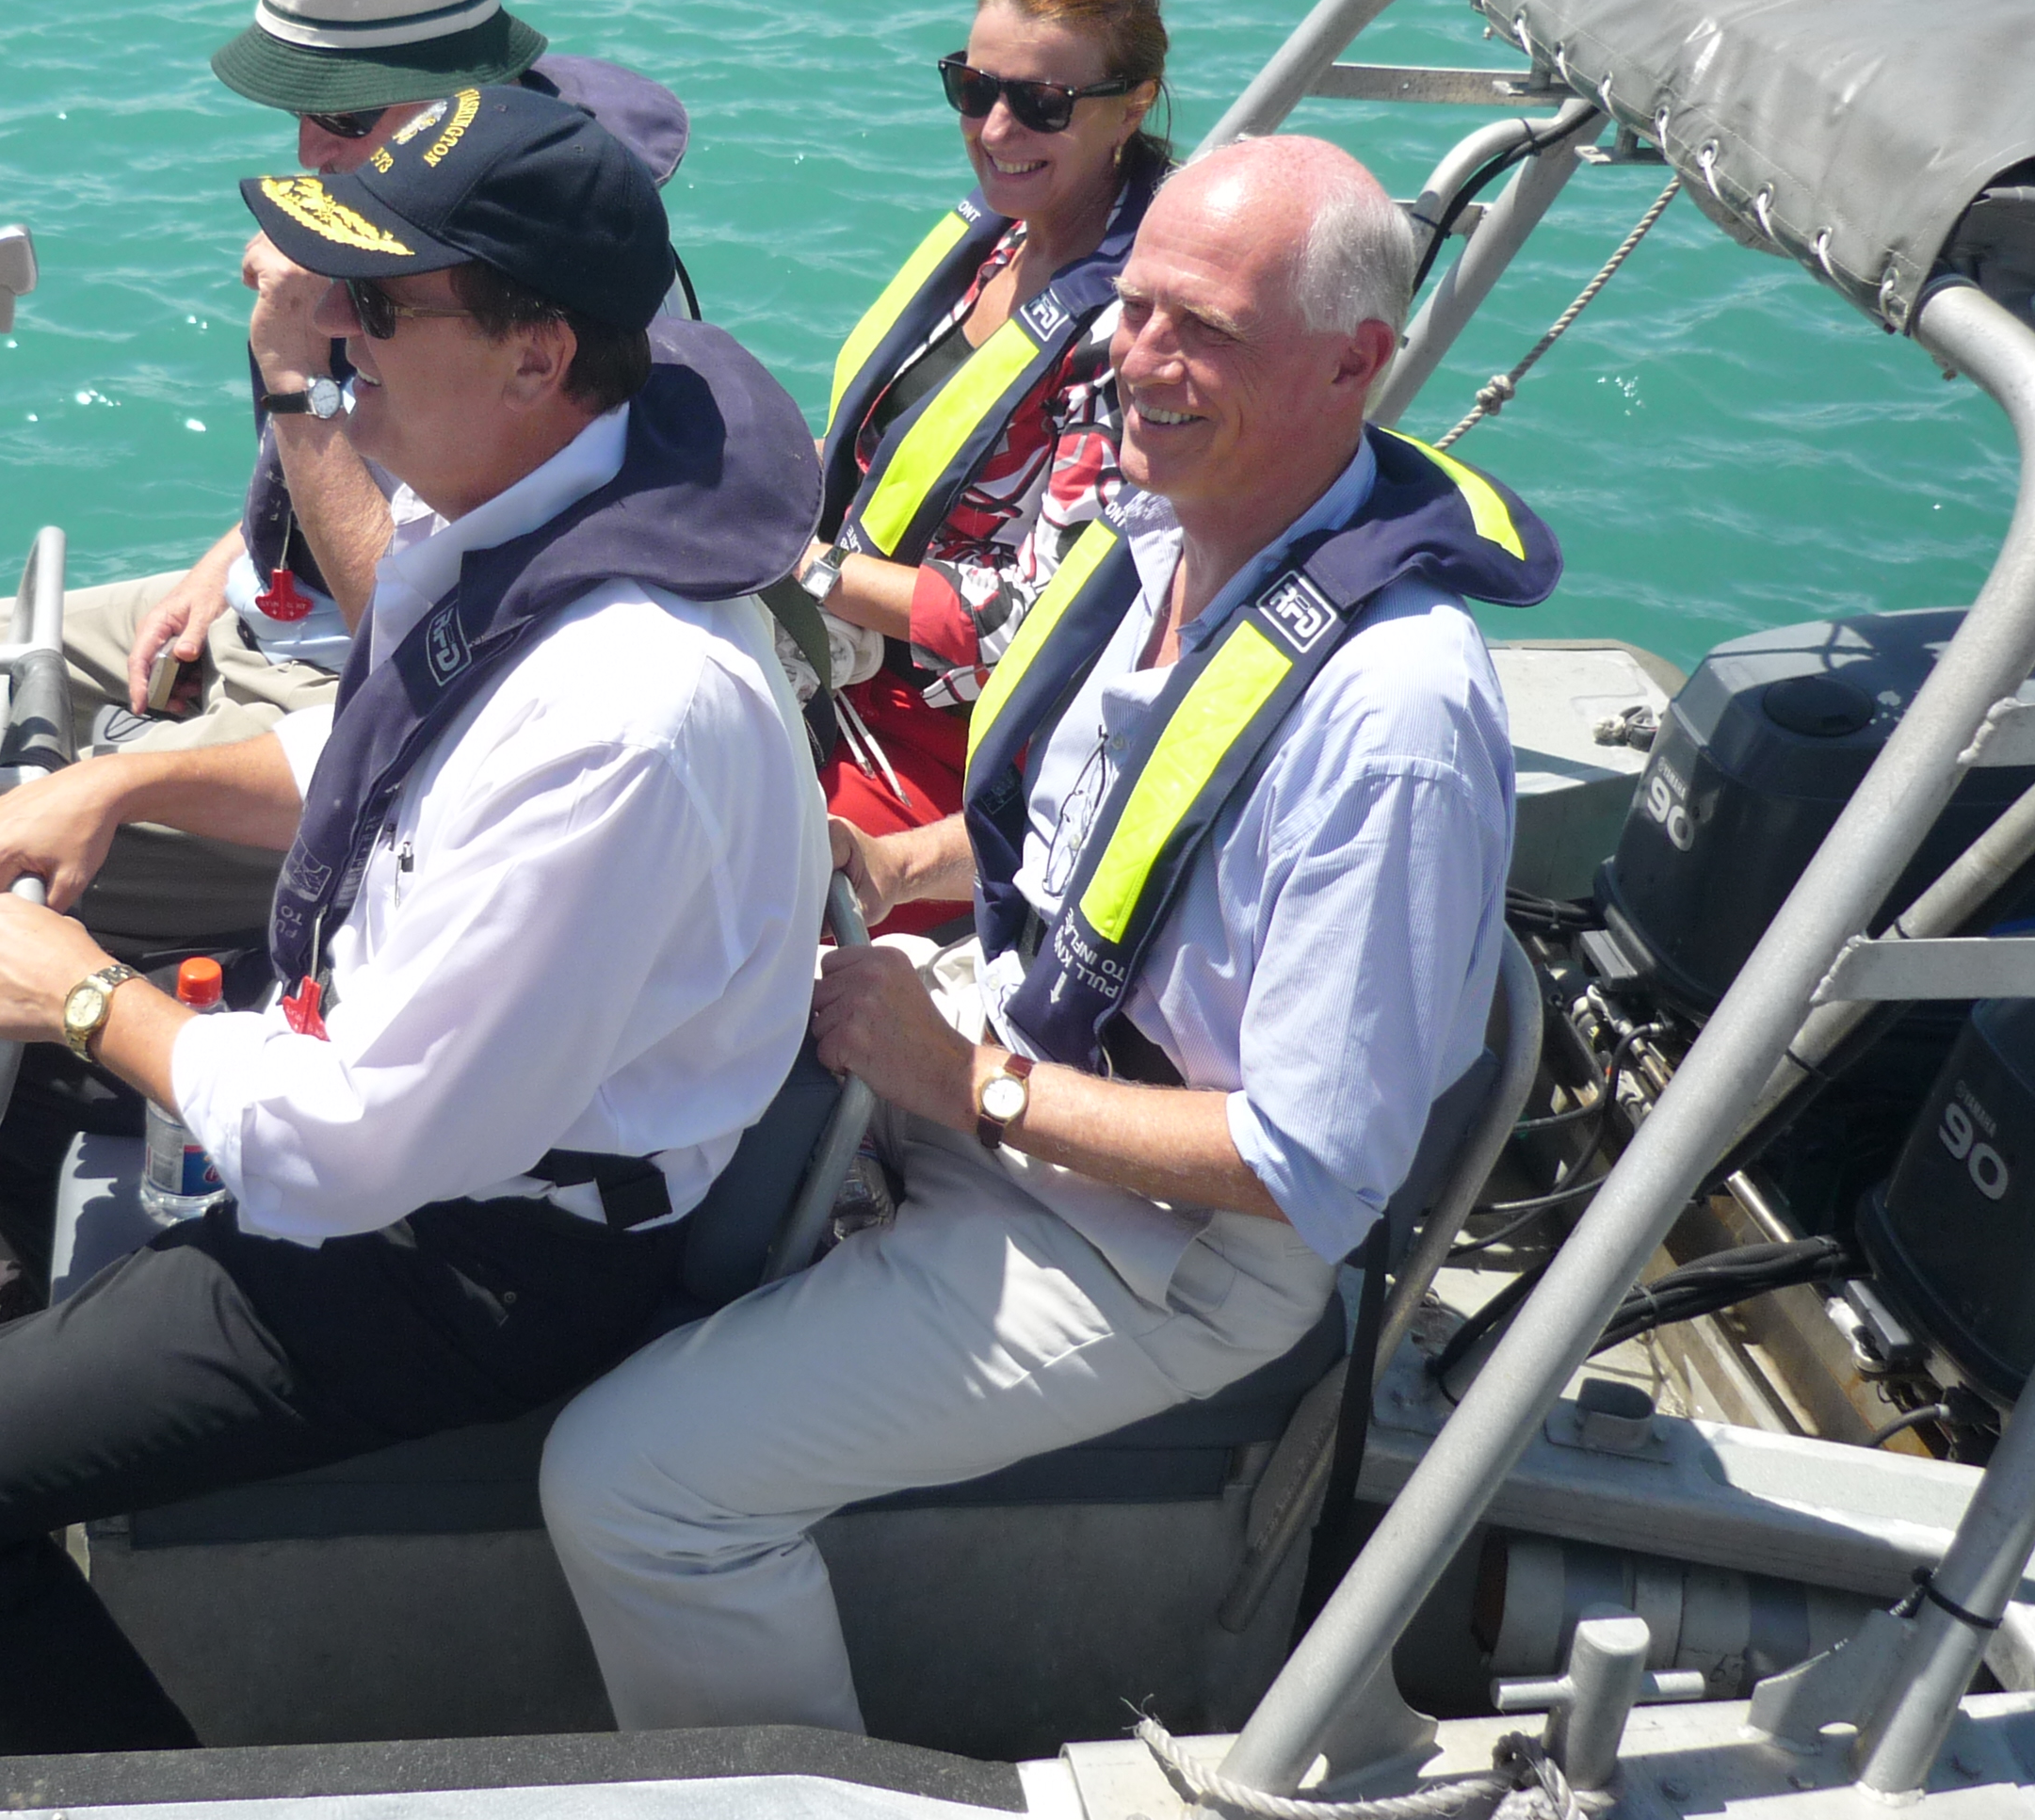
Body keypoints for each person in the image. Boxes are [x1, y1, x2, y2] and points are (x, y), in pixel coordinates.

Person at [0, 86, 830, 1760]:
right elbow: (395, 742)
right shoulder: (538, 515)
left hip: (484, 1251)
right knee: (2, 1048)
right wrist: (140, 783)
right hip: (430, 1115)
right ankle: (24, 1387)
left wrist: (95, 998)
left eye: (378, 307)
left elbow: (364, 1143)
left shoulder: (624, 705)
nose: (332, 340)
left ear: (538, 353)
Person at [539, 135, 1561, 1733]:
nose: (1133, 356)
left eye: (1200, 329)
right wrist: (884, 871)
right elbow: (1089, 847)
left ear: (1355, 360)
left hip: (1161, 1248)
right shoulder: (1157, 532)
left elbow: (1312, 1157)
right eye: (1133, 304)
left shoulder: (1393, 717)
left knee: (629, 1488)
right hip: (999, 1046)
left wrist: (967, 1089)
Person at [0, 0, 687, 1300]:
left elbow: (427, 632)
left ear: (466, 94)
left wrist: (294, 364)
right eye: (296, 107)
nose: (310, 147)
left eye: (346, 118)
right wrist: (230, 557)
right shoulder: (379, 217)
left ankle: (27, 1251)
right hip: (274, 600)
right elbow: (368, 461)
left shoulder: (538, 285)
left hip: (363, 689)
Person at [791, 0, 1171, 932]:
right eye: (973, 88)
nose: (996, 127)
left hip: (953, 758)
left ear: (1133, 105)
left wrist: (807, 570)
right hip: (830, 674)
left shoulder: (1135, 336)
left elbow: (1041, 622)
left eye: (1042, 104)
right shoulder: (1001, 235)